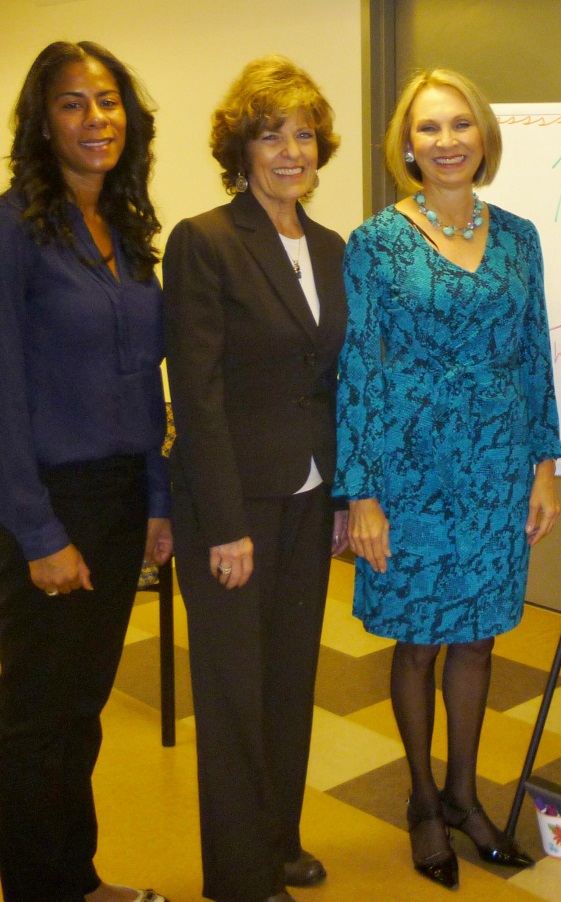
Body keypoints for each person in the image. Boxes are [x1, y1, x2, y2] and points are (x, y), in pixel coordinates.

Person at [336, 68, 561, 890]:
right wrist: (360, 492)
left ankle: (469, 796)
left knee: (478, 634)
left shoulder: (520, 237)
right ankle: (424, 801)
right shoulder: (376, 242)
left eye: (461, 124)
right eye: (429, 128)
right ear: (407, 144)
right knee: (420, 640)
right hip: (412, 472)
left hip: (499, 468)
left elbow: (534, 353)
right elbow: (359, 368)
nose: (447, 142)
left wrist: (545, 470)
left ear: (483, 135)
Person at [162, 56, 348, 902]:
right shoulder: (204, 241)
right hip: (233, 507)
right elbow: (196, 396)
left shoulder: (331, 246)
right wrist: (225, 524)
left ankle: (279, 840)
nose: (289, 150)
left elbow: (339, 384)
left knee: (288, 679)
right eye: (270, 133)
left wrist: (345, 496)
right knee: (235, 692)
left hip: (309, 499)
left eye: (303, 133)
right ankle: (239, 878)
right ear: (241, 147)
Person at [0, 41, 172, 902]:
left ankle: (76, 877)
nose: (95, 119)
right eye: (72, 104)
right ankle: (39, 887)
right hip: (46, 503)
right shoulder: (13, 228)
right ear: (41, 122)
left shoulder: (130, 229)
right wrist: (38, 533)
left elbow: (146, 381)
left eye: (107, 101)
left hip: (115, 500)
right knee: (34, 717)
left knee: (80, 709)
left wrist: (157, 500)